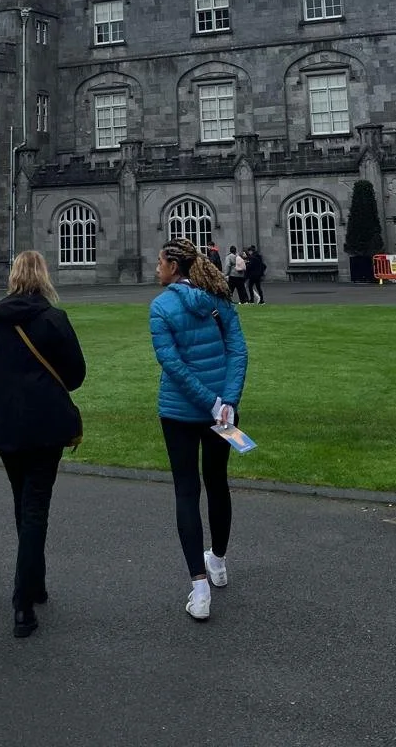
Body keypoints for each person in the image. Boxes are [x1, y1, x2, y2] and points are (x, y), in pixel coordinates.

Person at [0, 250, 86, 638]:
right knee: (35, 506)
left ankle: (34, 583)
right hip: (46, 426)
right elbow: (75, 375)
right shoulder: (54, 319)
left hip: (7, 428)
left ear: (14, 276)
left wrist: (5, 387)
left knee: (24, 503)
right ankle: (23, 601)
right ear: (43, 277)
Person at [150, 236, 248, 622]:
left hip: (179, 412)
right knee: (218, 483)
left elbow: (171, 364)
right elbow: (238, 351)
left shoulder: (161, 306)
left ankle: (200, 588)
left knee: (187, 492)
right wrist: (227, 401)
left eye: (159, 262)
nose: (156, 268)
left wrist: (210, 402)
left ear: (174, 267)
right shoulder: (220, 300)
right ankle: (218, 563)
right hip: (221, 414)